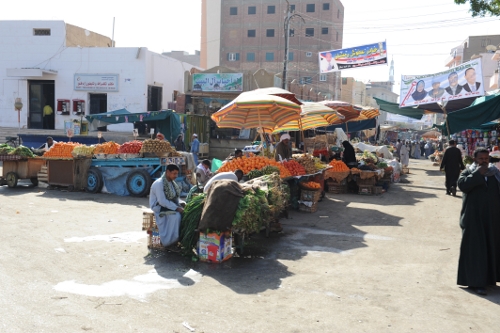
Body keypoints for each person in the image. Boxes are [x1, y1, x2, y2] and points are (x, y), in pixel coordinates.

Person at [457, 148, 500, 296]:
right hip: (473, 218)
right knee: (475, 251)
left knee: (490, 248)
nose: (484, 161)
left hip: (492, 219)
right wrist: (478, 173)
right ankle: (476, 283)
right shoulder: (468, 172)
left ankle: (488, 280)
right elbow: (462, 185)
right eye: (481, 159)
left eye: (486, 158)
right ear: (475, 159)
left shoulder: (495, 174)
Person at [149, 164, 185, 249]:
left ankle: (176, 239)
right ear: (168, 172)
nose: (176, 176)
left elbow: (175, 198)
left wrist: (182, 204)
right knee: (176, 216)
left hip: (167, 205)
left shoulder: (172, 183)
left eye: (177, 174)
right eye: (174, 173)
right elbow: (162, 201)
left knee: (182, 214)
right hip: (158, 207)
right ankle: (169, 242)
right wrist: (176, 208)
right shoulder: (159, 183)